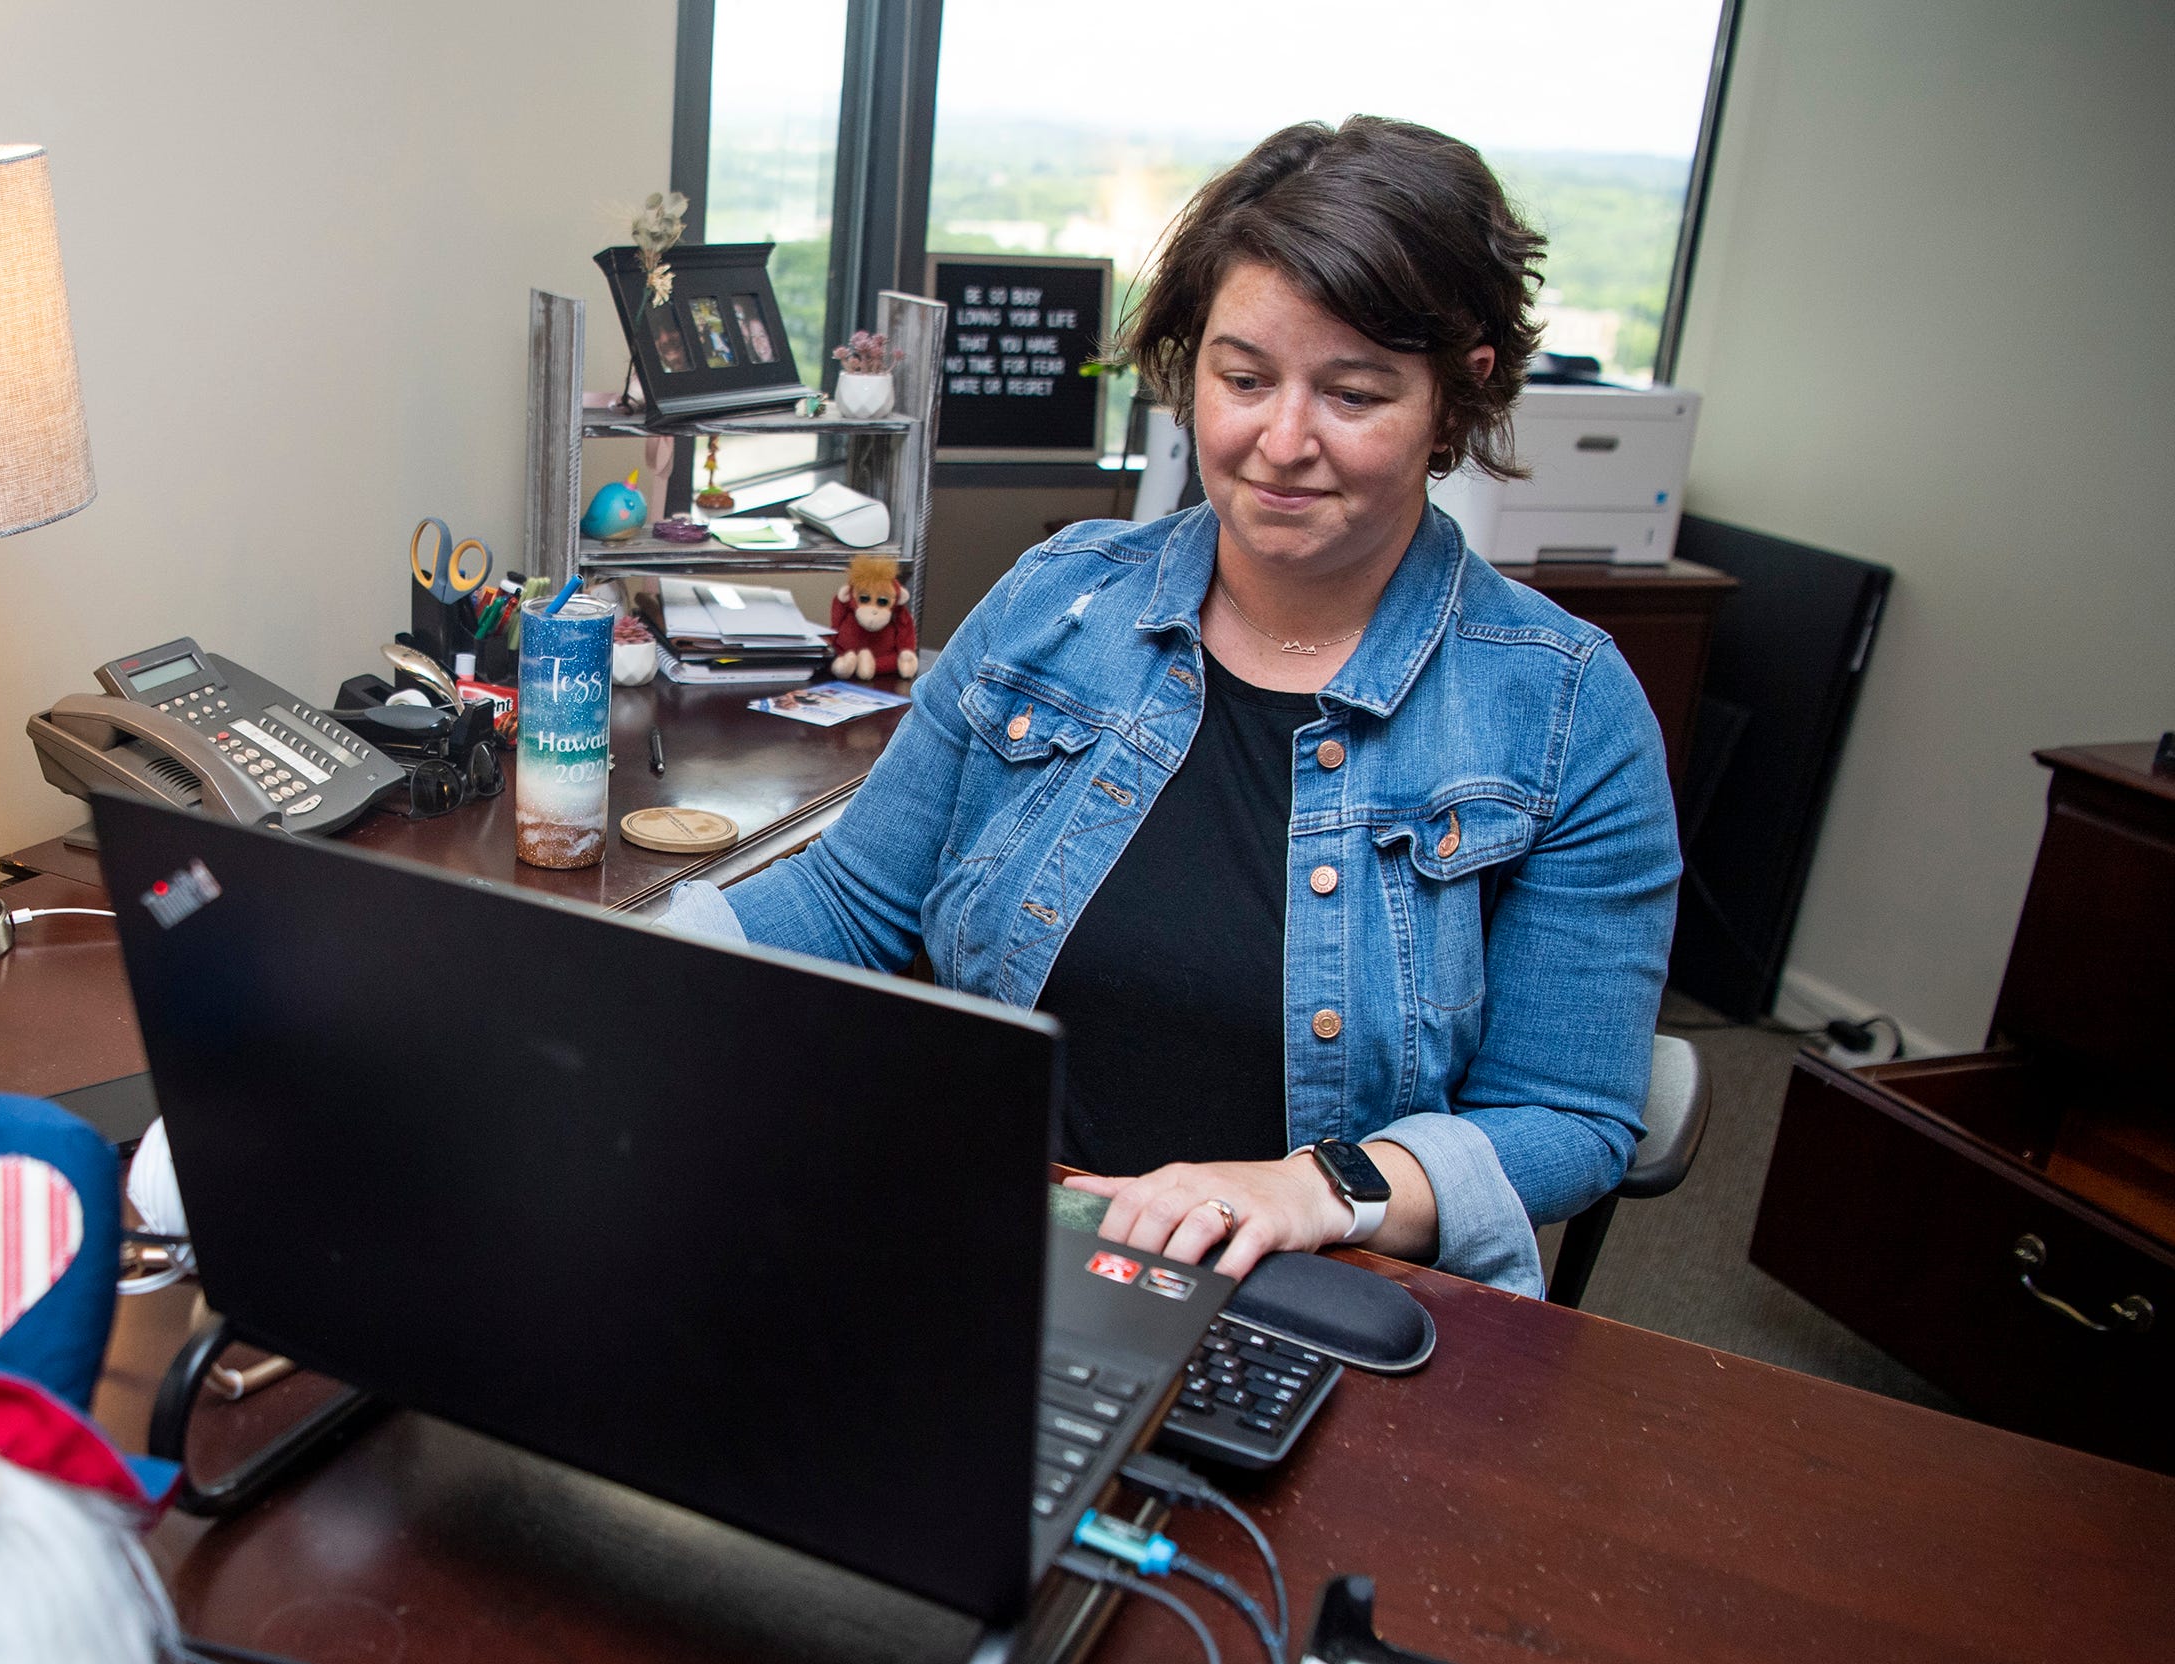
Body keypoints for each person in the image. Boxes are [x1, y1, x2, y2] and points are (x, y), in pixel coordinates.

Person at [668, 117, 1679, 1298]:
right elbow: (850, 902)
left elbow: (1570, 1114)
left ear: (1456, 399)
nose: (1281, 442)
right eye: (1243, 379)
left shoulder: (1564, 706)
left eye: (1353, 393)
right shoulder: (1060, 600)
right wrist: (619, 976)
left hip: (1307, 1291)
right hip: (995, 1246)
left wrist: (1314, 1186)